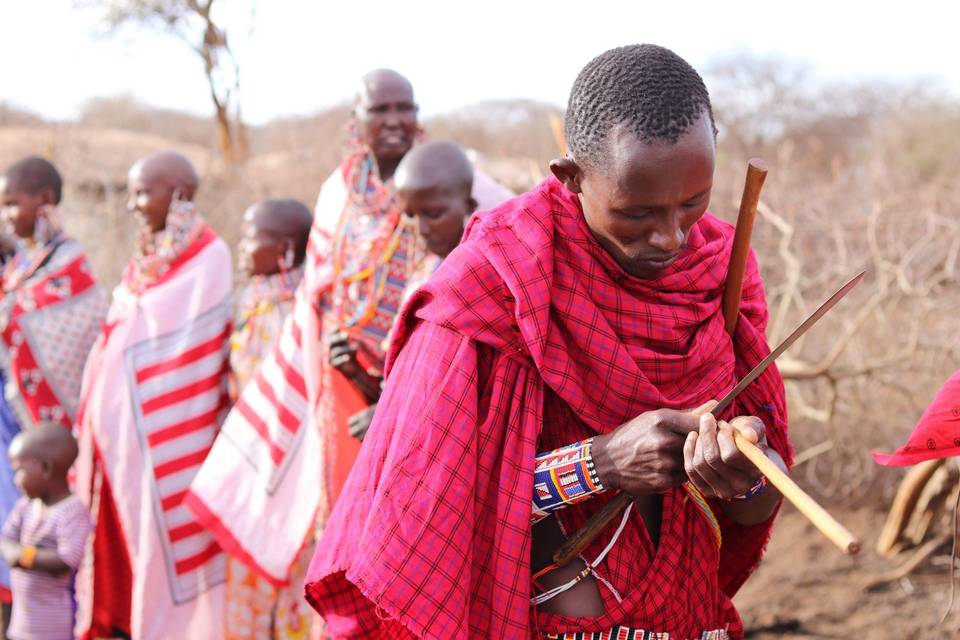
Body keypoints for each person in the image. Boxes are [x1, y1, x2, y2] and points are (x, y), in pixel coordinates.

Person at [303, 45, 793, 639]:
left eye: (692, 202)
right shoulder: (489, 288)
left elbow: (758, 506)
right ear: (570, 177)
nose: (670, 238)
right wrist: (600, 463)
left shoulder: (720, 269)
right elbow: (421, 510)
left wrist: (747, 474)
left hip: (694, 619)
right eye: (637, 213)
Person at [185, 70, 512, 608]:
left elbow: (498, 256)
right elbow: (318, 285)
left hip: (434, 377)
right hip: (345, 379)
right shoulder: (338, 191)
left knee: (420, 518)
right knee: (352, 518)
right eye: (378, 109)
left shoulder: (458, 177)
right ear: (355, 120)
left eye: (403, 108)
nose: (393, 121)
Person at [74, 151, 233, 640]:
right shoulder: (149, 255)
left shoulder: (211, 257)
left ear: (179, 194)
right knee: (117, 539)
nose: (132, 204)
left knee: (162, 540)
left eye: (143, 192)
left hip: (169, 433)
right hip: (119, 439)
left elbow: (194, 350)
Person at [0, 157, 106, 633]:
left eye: (10, 204)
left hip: (46, 433)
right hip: (12, 423)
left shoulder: (70, 260)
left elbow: (51, 323)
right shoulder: (25, 265)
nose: (5, 216)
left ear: (43, 201)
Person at [331, 140, 478, 441]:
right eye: (409, 215)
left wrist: (389, 414)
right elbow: (403, 377)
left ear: (468, 207)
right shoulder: (422, 273)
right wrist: (356, 373)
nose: (420, 228)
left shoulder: (479, 280)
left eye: (433, 214)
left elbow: (465, 390)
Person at [1, 423, 92, 640]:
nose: (16, 480)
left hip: (52, 628)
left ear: (45, 468)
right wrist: (15, 552)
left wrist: (25, 555)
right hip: (22, 622)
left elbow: (67, 560)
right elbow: (5, 539)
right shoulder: (27, 506)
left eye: (19, 471)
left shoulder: (72, 512)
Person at [231, 198, 313, 394]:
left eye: (249, 238)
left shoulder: (301, 306)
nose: (241, 247)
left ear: (284, 248)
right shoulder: (254, 295)